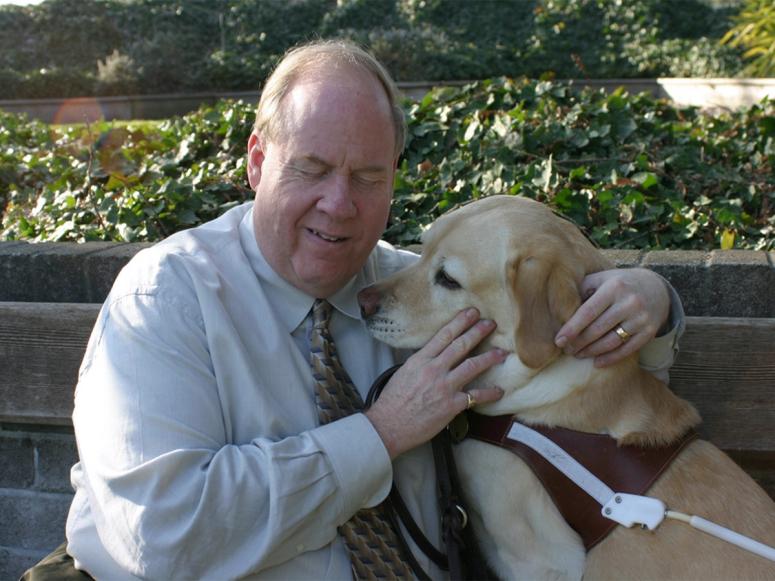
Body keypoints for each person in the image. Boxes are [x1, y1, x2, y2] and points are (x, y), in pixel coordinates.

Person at [38, 40, 682, 580]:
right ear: (258, 163)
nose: (339, 205)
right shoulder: (165, 299)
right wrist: (381, 434)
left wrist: (648, 300)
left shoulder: (407, 290)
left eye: (368, 177)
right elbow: (161, 535)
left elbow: (551, 333)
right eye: (311, 169)